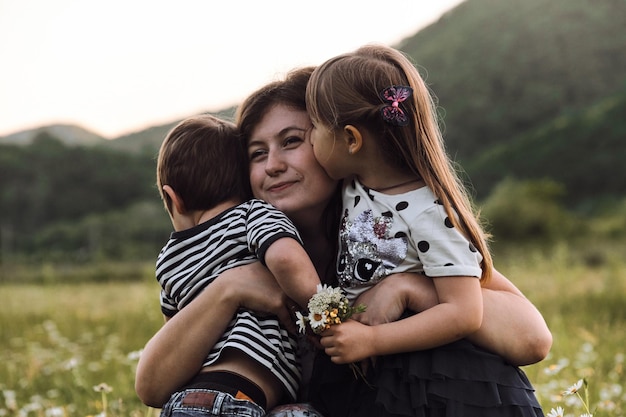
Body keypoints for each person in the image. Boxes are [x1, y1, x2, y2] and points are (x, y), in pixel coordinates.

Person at [135, 65, 551, 415]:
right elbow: (154, 387)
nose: (274, 165)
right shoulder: (240, 253)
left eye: (293, 141)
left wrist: (410, 287)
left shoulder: (383, 229)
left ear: (339, 141)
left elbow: (532, 338)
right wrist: (231, 288)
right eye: (257, 154)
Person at [302, 44, 545, 416]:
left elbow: (465, 312)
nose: (310, 140)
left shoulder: (429, 214)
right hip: (375, 377)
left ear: (351, 140)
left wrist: (373, 339)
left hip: (433, 384)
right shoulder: (354, 187)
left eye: (314, 128)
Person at [152, 114, 321, 416]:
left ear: (172, 198)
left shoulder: (168, 258)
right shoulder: (253, 214)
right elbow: (284, 258)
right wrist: (326, 311)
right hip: (239, 397)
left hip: (187, 399)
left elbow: (177, 336)